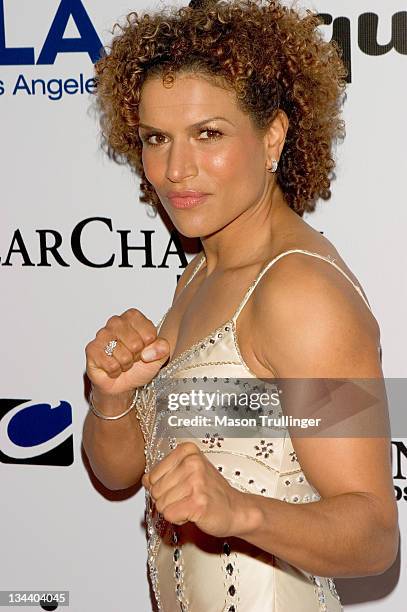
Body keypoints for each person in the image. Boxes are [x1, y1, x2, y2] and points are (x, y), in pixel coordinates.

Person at [82, 1, 399, 610]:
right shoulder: (198, 273)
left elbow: (375, 535)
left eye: (209, 134)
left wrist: (240, 510)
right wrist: (113, 396)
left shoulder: (302, 295)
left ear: (273, 135)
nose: (175, 170)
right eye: (157, 138)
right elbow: (119, 474)